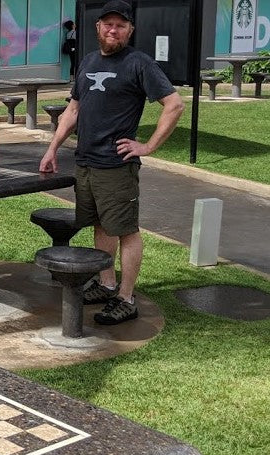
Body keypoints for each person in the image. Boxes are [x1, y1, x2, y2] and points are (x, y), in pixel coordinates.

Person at [40, 0, 184, 325]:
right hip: (86, 164)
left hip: (116, 166)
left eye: (120, 25)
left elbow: (174, 104)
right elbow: (73, 111)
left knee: (126, 231)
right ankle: (106, 284)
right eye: (108, 24)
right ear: (98, 27)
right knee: (100, 225)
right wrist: (52, 149)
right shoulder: (88, 62)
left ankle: (126, 298)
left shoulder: (138, 63)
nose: (113, 30)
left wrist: (147, 145)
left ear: (130, 30)